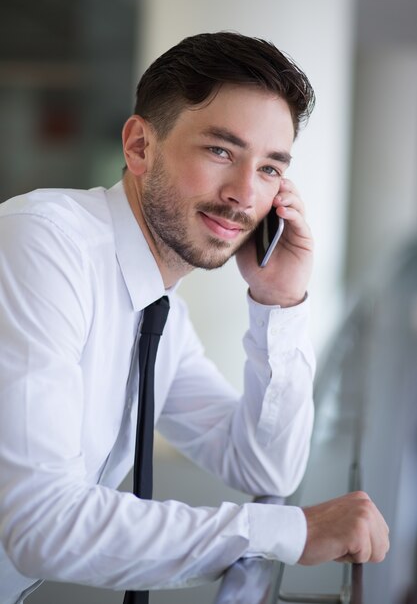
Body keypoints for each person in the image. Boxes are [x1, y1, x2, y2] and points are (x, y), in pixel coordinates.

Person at [0, 32, 388, 603]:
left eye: (270, 169)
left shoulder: (158, 306)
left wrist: (280, 304)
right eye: (221, 151)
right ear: (139, 146)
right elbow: (41, 524)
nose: (243, 195)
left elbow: (263, 469)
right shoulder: (43, 244)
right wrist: (290, 532)